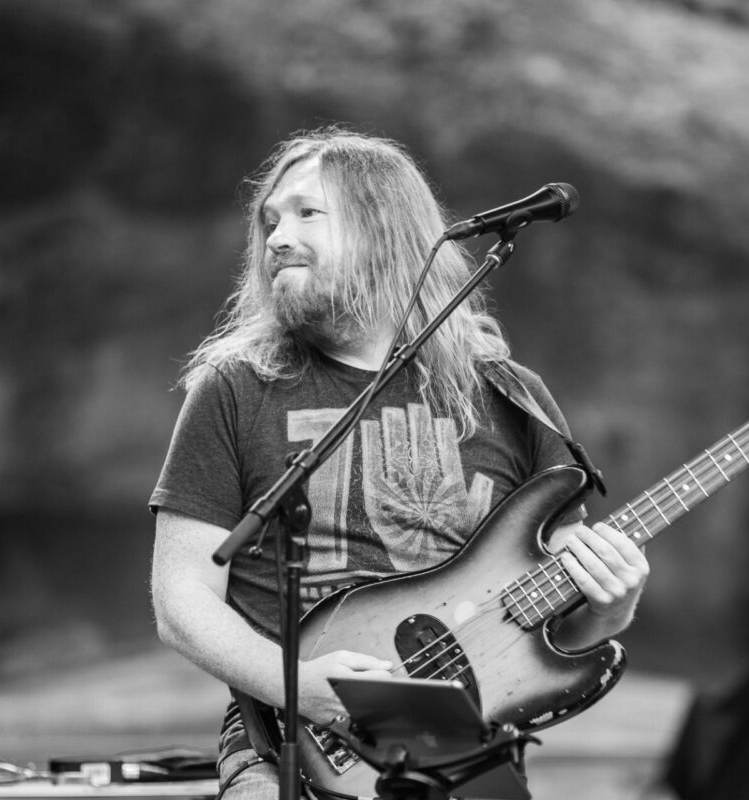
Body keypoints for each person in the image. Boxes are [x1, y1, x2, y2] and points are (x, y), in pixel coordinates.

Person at [148, 127, 649, 798]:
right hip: (286, 738)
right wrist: (297, 685)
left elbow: (559, 623)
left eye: (306, 213)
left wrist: (611, 611)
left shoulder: (511, 397)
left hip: (461, 750)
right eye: (269, 220)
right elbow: (181, 599)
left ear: (384, 230)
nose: (276, 237)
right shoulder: (236, 388)